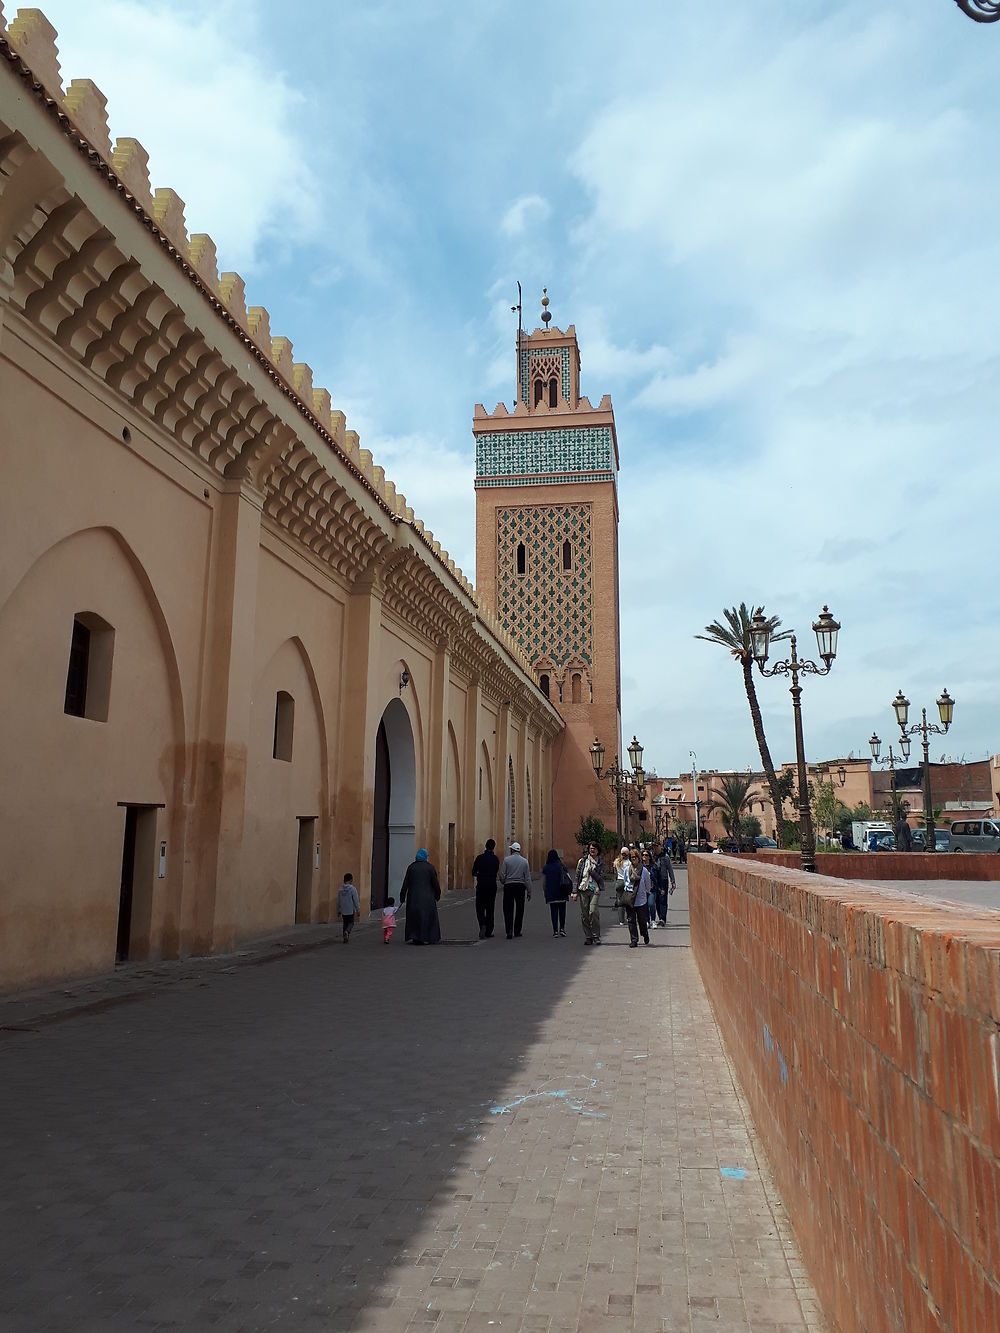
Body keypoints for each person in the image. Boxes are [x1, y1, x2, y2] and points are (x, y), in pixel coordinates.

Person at [399, 848, 442, 945]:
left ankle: (415, 937)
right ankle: (428, 937)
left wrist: (402, 897)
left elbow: (405, 884)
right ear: (425, 856)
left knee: (414, 918)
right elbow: (435, 884)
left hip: (413, 898)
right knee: (427, 918)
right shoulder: (430, 868)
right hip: (428, 898)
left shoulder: (411, 867)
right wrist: (437, 895)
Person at [498, 840, 532, 939]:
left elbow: (502, 874)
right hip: (520, 886)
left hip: (509, 886)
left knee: (508, 909)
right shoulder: (524, 861)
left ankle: (509, 930)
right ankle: (517, 930)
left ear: (512, 850)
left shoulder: (506, 860)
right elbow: (527, 878)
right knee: (520, 909)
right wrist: (529, 891)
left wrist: (504, 881)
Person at [572, 841, 604, 945]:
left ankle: (596, 936)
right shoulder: (582, 861)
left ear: (598, 851)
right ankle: (588, 936)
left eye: (594, 848)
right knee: (584, 914)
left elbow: (600, 878)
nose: (592, 850)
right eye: (591, 848)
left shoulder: (600, 862)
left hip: (595, 889)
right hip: (583, 889)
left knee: (593, 912)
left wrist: (592, 872)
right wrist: (575, 891)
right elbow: (577, 876)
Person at [472, 838, 500, 939]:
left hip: (481, 885)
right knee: (490, 908)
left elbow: (473, 872)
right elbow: (496, 870)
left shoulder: (479, 858)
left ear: (485, 846)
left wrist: (480, 874)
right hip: (492, 886)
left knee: (480, 907)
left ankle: (482, 924)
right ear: (493, 847)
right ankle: (489, 930)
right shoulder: (495, 859)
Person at [624, 849, 651, 947]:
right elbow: (625, 882)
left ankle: (645, 933)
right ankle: (634, 940)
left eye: (635, 857)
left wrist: (644, 893)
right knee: (631, 920)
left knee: (642, 920)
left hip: (641, 900)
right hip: (630, 899)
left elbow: (648, 886)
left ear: (639, 858)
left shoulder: (644, 871)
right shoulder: (627, 869)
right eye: (632, 858)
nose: (633, 859)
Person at [542, 848, 570, 937]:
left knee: (553, 912)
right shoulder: (562, 865)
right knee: (562, 911)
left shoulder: (546, 867)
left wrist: (545, 891)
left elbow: (544, 882)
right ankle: (562, 929)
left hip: (552, 893)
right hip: (562, 891)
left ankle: (555, 931)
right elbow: (568, 878)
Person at [652, 842, 675, 927]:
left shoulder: (665, 857)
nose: (655, 849)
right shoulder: (652, 857)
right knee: (657, 900)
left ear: (660, 847)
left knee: (663, 899)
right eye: (654, 847)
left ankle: (662, 919)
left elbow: (670, 869)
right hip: (655, 880)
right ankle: (660, 917)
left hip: (663, 880)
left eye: (656, 847)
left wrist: (673, 881)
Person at [337, 872, 360, 943]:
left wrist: (339, 910)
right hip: (350, 909)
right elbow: (355, 900)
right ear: (351, 880)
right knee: (351, 923)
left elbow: (338, 901)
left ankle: (345, 937)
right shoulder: (352, 889)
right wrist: (358, 909)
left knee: (345, 923)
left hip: (343, 910)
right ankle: (347, 932)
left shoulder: (340, 889)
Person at [612, 847, 629, 925]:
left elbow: (615, 873)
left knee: (619, 901)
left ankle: (621, 921)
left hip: (619, 882)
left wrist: (616, 881)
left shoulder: (616, 861)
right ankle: (628, 917)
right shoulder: (629, 862)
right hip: (626, 882)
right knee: (628, 901)